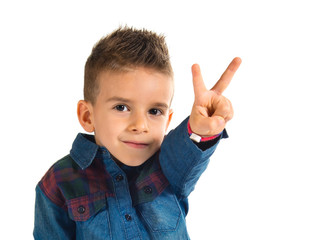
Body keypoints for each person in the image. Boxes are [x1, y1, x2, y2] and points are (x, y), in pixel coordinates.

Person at [33, 26, 241, 239]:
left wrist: (200, 130)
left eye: (154, 111)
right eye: (122, 107)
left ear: (167, 120)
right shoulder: (58, 181)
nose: (140, 125)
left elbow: (188, 151)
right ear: (87, 116)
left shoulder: (169, 166)